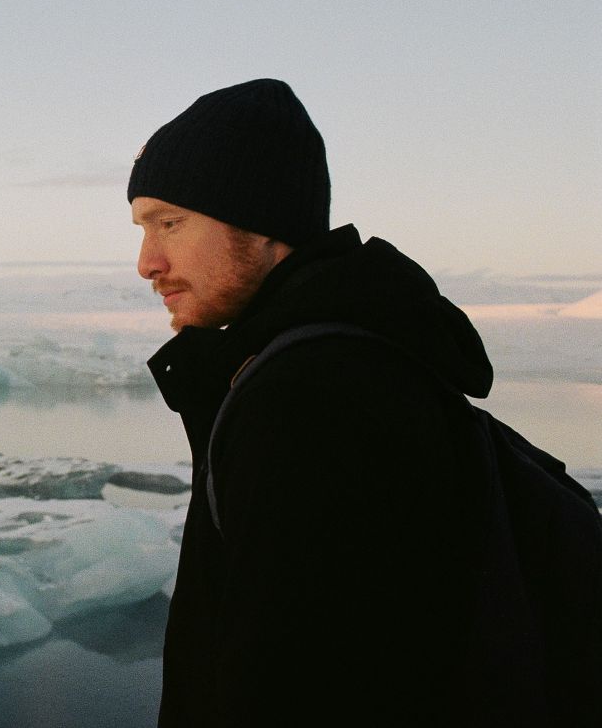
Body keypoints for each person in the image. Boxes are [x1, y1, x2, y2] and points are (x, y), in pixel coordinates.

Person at [126, 79, 600, 727]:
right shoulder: (350, 361)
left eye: (170, 223)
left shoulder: (309, 399)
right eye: (143, 228)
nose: (147, 262)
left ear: (261, 222)